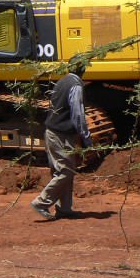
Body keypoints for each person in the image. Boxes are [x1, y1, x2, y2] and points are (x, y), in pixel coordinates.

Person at [30, 60, 92, 220]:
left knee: (62, 171)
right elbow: (78, 115)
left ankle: (64, 209)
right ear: (83, 69)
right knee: (66, 171)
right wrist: (86, 138)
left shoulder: (62, 81)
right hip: (60, 135)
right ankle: (41, 202)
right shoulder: (76, 85)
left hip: (52, 132)